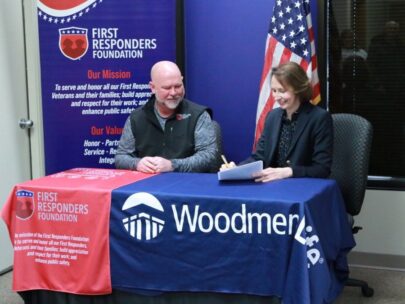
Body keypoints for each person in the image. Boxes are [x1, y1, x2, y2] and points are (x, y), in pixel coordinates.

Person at [221, 62, 333, 183]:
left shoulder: (319, 118)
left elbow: (322, 169)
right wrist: (237, 169)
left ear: (298, 89)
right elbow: (259, 157)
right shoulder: (272, 116)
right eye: (274, 90)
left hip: (301, 188)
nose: (277, 96)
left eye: (282, 91)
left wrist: (289, 172)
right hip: (270, 187)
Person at [115, 60, 219, 173]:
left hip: (188, 185)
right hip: (147, 186)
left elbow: (209, 157)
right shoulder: (136, 118)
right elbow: (121, 157)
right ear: (153, 88)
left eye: (178, 86)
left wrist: (172, 165)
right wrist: (137, 164)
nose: (173, 93)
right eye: (167, 88)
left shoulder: (198, 115)